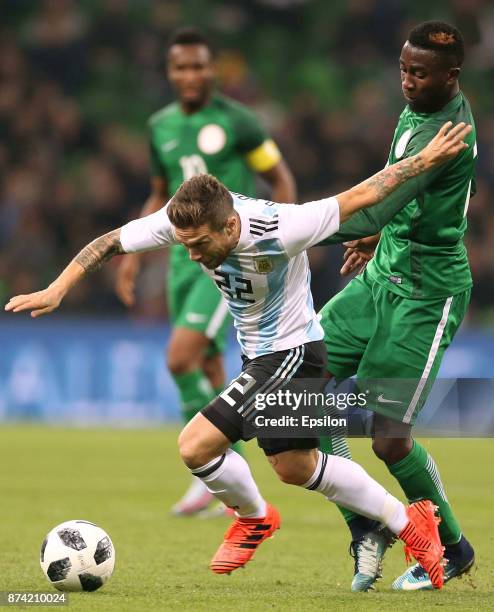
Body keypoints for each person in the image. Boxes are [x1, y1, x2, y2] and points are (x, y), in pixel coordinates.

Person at [5, 120, 471, 588]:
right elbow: (111, 241)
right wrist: (57, 288)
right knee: (296, 468)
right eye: (184, 245)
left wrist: (424, 161)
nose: (192, 255)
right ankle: (412, 524)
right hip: (261, 358)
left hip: (292, 355)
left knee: (195, 445)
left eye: (201, 244)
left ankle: (254, 517)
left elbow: (363, 196)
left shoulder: (281, 228)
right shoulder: (186, 221)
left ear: (231, 225)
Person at [317, 21, 477, 591]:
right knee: (295, 385)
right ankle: (366, 524)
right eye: (404, 70)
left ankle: (453, 547)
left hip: (426, 294)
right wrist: (377, 238)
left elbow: (379, 202)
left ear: (451, 77)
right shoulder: (418, 113)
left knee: (388, 438)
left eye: (420, 73)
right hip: (382, 276)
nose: (408, 81)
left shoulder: (448, 133)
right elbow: (393, 189)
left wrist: (284, 230)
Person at [115, 27, 296, 516]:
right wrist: (132, 254)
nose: (191, 75)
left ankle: (210, 471)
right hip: (181, 259)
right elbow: (160, 192)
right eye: (181, 67)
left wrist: (282, 241)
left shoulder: (238, 122)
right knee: (211, 367)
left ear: (212, 70)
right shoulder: (160, 126)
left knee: (180, 358)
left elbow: (278, 177)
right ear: (169, 73)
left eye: (199, 66)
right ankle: (227, 480)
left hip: (226, 257)